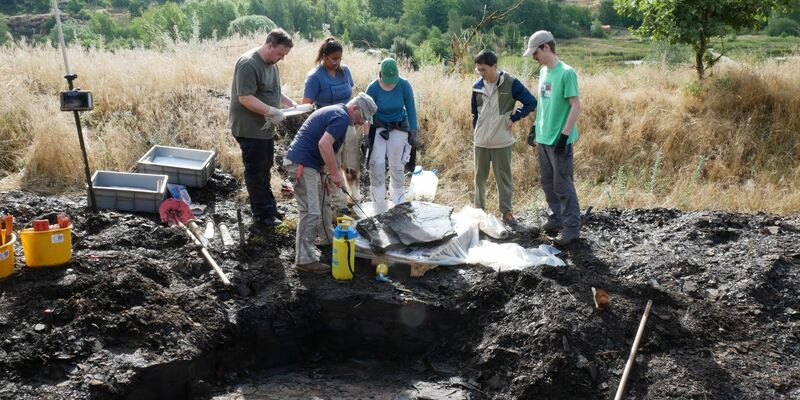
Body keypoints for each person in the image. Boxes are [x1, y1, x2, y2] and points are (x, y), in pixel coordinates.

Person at [283, 93, 377, 273]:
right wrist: (336, 174)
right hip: (302, 164)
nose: (360, 123)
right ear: (355, 109)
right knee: (311, 211)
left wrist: (325, 173)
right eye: (362, 117)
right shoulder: (341, 117)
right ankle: (304, 259)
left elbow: (327, 150)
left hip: (313, 165)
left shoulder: (339, 115)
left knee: (324, 201)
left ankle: (327, 238)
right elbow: (324, 144)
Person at [229, 28, 298, 227]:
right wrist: (271, 111)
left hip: (265, 127)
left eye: (284, 55)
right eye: (280, 54)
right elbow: (245, 98)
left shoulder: (272, 64)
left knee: (265, 167)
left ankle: (269, 206)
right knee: (256, 170)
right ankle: (261, 214)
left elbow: (274, 92)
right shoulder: (249, 64)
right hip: (249, 127)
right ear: (270, 45)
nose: (281, 59)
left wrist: (289, 103)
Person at [524, 30, 582, 245]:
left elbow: (576, 107)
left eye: (535, 52)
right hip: (543, 138)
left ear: (546, 47)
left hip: (560, 140)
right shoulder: (544, 73)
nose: (534, 57)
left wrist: (563, 136)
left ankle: (571, 229)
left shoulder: (567, 73)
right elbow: (544, 105)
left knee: (563, 186)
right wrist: (534, 128)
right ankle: (556, 219)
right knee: (548, 183)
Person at [471, 50, 537, 227]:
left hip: (501, 141)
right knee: (479, 178)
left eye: (484, 69)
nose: (481, 73)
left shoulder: (511, 83)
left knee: (504, 178)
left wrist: (514, 117)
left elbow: (531, 102)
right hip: (481, 142)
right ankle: (479, 211)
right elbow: (474, 113)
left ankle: (507, 213)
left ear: (494, 67)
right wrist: (476, 130)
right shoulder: (477, 85)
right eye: (478, 70)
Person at [301, 37, 360, 215]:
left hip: (347, 124)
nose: (337, 62)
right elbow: (306, 105)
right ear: (324, 56)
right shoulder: (315, 77)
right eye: (333, 59)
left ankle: (355, 197)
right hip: (328, 127)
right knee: (333, 164)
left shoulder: (345, 71)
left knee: (352, 163)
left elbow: (351, 93)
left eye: (340, 59)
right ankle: (339, 204)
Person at [365, 58, 418, 213]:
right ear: (380, 75)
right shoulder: (373, 88)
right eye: (387, 81)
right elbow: (366, 113)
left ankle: (398, 199)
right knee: (378, 165)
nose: (391, 84)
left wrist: (413, 131)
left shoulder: (404, 85)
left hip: (398, 126)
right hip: (379, 128)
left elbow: (411, 108)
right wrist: (366, 135)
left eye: (393, 81)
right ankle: (378, 202)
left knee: (397, 165)